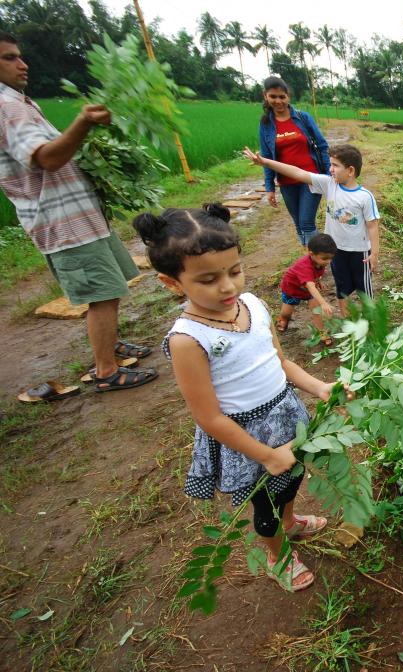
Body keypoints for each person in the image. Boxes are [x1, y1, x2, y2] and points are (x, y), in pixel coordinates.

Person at [135, 203, 334, 591]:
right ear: (172, 283)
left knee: (293, 477)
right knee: (266, 504)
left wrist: (318, 386)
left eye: (235, 271)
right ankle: (277, 555)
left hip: (284, 413)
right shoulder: (188, 339)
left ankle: (291, 525)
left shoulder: (254, 306)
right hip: (247, 437)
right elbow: (209, 418)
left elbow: (279, 361)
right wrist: (266, 454)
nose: (227, 287)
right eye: (208, 279)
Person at [0, 31, 157, 398]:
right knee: (101, 293)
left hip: (79, 217)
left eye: (19, 56)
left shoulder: (20, 103)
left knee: (109, 287)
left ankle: (112, 346)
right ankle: (106, 371)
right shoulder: (7, 108)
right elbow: (48, 157)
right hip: (63, 223)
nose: (22, 64)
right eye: (9, 58)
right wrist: (84, 123)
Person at [243, 143, 380, 318]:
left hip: (359, 252)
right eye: (330, 164)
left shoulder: (365, 197)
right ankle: (347, 323)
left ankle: (370, 322)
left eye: (335, 165)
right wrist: (266, 163)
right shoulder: (329, 184)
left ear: (350, 170)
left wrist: (374, 253)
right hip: (336, 251)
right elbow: (298, 172)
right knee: (342, 288)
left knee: (364, 290)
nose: (330, 169)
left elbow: (372, 226)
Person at [257, 75, 330, 247]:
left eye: (282, 97)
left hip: (310, 178)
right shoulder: (266, 124)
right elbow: (267, 158)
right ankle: (310, 258)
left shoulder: (302, 118)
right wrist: (270, 188)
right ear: (265, 96)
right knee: (298, 223)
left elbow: (322, 145)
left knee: (306, 222)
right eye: (273, 97)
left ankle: (317, 261)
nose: (278, 101)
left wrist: (328, 175)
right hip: (286, 182)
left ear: (288, 96)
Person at [277, 232, 338, 345]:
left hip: (307, 290)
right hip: (292, 289)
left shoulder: (320, 262)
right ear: (311, 254)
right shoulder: (304, 266)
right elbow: (310, 285)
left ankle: (322, 333)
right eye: (325, 259)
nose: (328, 262)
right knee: (287, 312)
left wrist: (318, 281)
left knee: (316, 310)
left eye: (331, 258)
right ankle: (283, 319)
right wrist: (324, 303)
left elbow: (315, 275)